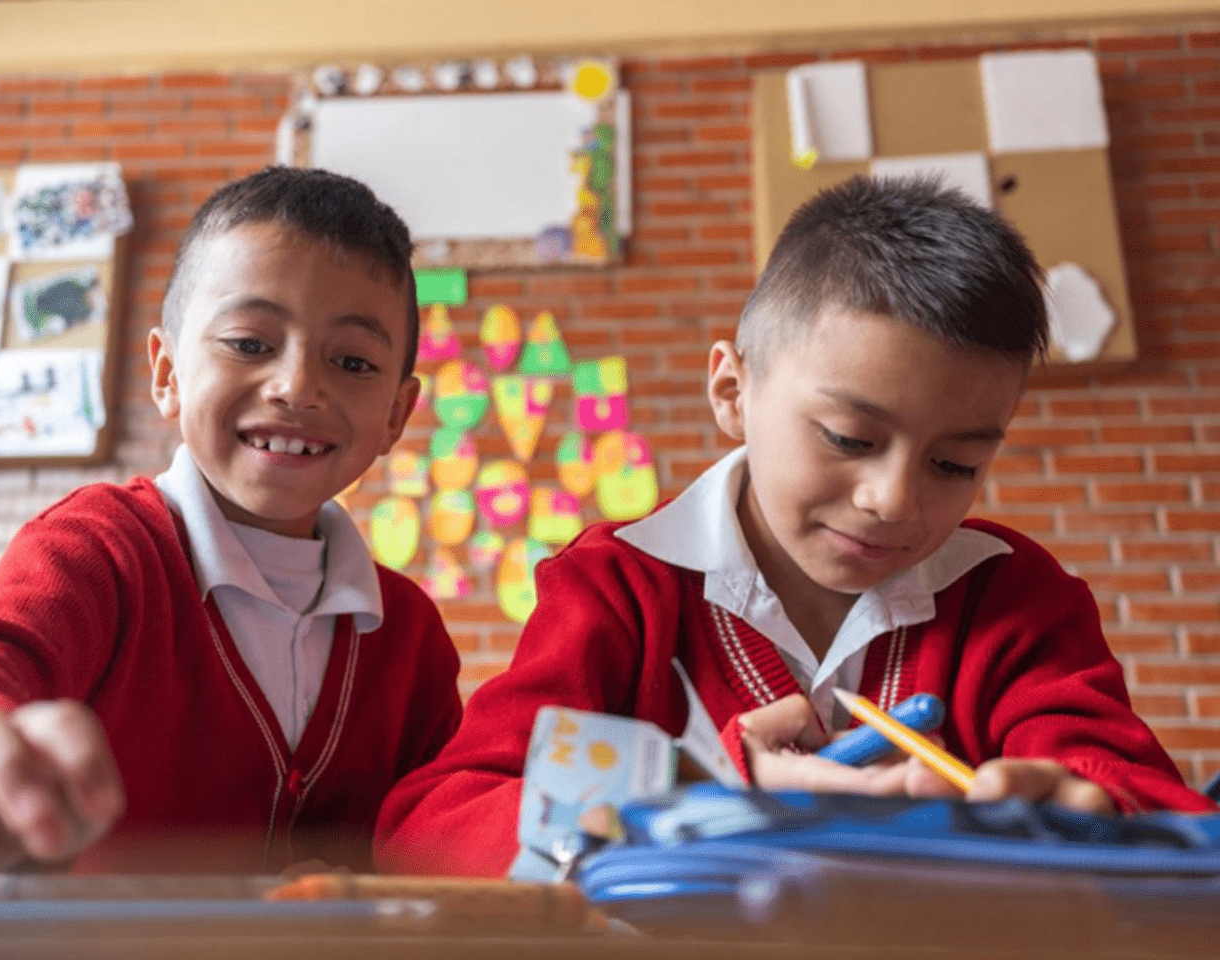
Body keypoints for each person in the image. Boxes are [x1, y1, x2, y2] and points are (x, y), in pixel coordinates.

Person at [375, 175, 1215, 878]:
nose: (895, 500)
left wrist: (1093, 807)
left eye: (955, 464)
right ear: (732, 393)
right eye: (850, 439)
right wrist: (696, 794)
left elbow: (1151, 802)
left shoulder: (1012, 594)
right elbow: (430, 830)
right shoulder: (620, 585)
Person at [0, 166, 462, 882]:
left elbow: (435, 827)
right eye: (249, 342)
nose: (298, 385)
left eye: (353, 361)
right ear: (167, 374)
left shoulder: (410, 635)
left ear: (397, 415)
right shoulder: (102, 549)